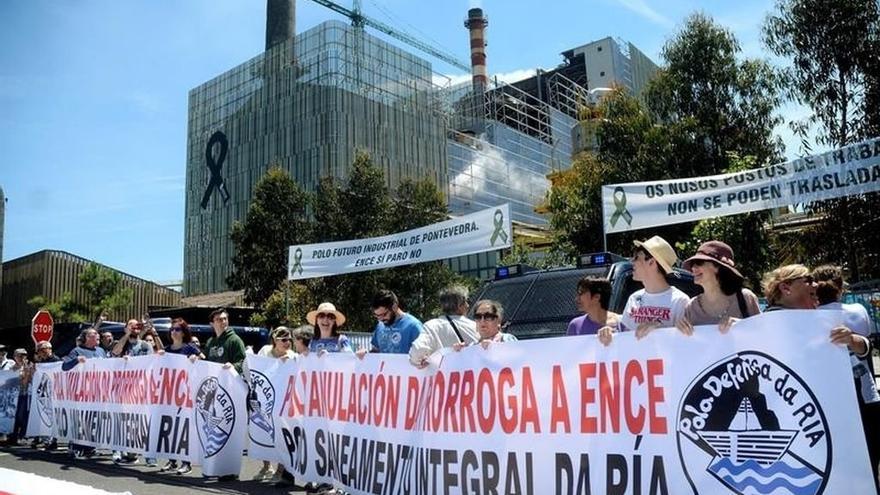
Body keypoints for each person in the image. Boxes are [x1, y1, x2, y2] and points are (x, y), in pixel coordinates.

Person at [812, 264, 880, 486]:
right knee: (870, 457)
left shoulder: (805, 319)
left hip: (830, 398)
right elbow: (867, 335)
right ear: (841, 288)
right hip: (863, 393)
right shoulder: (857, 311)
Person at [599, 236, 690, 346]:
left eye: (637, 257)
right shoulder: (634, 298)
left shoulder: (680, 301)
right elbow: (624, 334)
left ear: (651, 262)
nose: (632, 261)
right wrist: (610, 333)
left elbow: (685, 342)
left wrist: (661, 330)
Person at [678, 241, 761, 333]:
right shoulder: (691, 307)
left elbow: (762, 335)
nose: (693, 268)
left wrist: (741, 325)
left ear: (718, 267)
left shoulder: (745, 298)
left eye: (698, 262)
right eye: (692, 264)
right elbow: (688, 344)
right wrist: (680, 331)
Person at [253, 327, 297, 484]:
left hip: (283, 404)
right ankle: (266, 467)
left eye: (289, 340)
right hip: (265, 399)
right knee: (263, 432)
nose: (287, 343)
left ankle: (280, 470)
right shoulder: (265, 351)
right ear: (274, 341)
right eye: (283, 340)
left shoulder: (293, 356)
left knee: (282, 436)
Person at [156, 318, 200, 475]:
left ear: (184, 332)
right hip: (170, 396)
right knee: (171, 427)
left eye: (177, 329)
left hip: (186, 396)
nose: (174, 332)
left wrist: (196, 358)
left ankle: (186, 462)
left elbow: (203, 362)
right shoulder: (167, 350)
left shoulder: (190, 348)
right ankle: (172, 460)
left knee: (184, 428)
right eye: (172, 329)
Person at [63, 327, 107, 458]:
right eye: (94, 334)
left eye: (97, 333)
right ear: (86, 338)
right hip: (82, 392)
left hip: (97, 392)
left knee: (94, 421)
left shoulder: (101, 351)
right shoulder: (77, 351)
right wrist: (76, 360)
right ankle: (76, 446)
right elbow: (65, 367)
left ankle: (89, 447)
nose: (97, 335)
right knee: (82, 420)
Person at [409, 285, 478, 367]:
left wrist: (422, 362)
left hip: (443, 377)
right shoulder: (475, 326)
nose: (468, 305)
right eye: (466, 301)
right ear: (459, 306)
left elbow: (416, 352)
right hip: (470, 377)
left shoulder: (432, 326)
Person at [359, 290, 423, 356]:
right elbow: (376, 351)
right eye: (377, 315)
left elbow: (425, 354)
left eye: (384, 314)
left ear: (394, 307)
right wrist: (366, 354)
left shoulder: (413, 326)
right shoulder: (380, 326)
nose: (380, 319)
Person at [32, 341, 60, 450]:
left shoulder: (56, 360)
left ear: (49, 349)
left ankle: (53, 441)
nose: (40, 353)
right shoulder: (41, 362)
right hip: (45, 394)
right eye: (39, 351)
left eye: (42, 350)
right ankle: (45, 439)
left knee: (53, 418)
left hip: (54, 394)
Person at [204, 308, 246, 374]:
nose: (223, 322)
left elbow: (243, 363)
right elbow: (204, 361)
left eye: (225, 319)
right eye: (219, 320)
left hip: (229, 381)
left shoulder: (235, 340)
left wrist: (233, 366)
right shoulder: (210, 342)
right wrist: (195, 359)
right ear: (212, 324)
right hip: (213, 380)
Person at [7, 349, 32, 446]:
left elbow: (26, 382)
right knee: (14, 416)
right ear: (15, 357)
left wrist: (26, 371)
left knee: (23, 416)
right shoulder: (12, 368)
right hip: (14, 396)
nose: (22, 358)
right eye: (19, 356)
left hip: (24, 394)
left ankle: (22, 436)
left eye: (24, 355)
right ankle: (13, 436)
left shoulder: (28, 367)